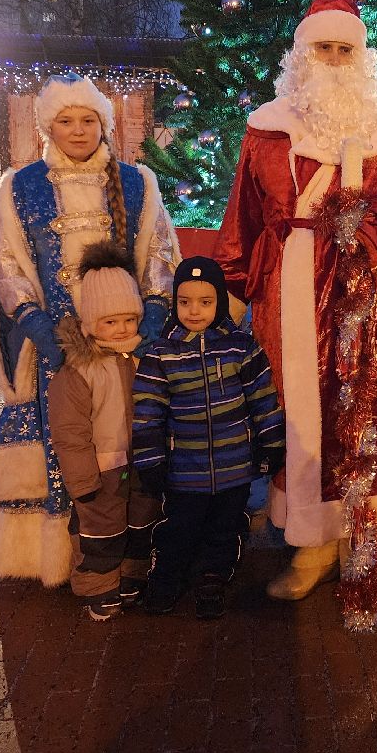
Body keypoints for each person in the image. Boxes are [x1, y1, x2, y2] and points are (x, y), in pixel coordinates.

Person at [214, 0, 377, 629]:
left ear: (361, 58)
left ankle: (358, 537)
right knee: (299, 412)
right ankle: (311, 545)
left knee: (358, 409)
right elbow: (245, 216)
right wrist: (232, 283)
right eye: (323, 48)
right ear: (302, 53)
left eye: (345, 49)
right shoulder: (266, 127)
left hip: (359, 287)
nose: (334, 60)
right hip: (289, 285)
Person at [0, 74, 179, 586]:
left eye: (88, 120)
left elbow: (158, 255)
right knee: (65, 442)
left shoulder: (137, 183)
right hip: (57, 353)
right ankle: (63, 556)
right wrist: (42, 330)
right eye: (66, 121)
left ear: (103, 124)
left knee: (126, 442)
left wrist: (151, 320)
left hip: (124, 345)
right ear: (49, 126)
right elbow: (9, 268)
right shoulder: (20, 189)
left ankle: (129, 550)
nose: (78, 130)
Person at [131, 256, 285, 619]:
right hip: (184, 469)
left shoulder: (239, 347)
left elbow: (263, 398)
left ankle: (214, 575)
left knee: (225, 526)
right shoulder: (160, 353)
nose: (194, 311)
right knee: (178, 528)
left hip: (234, 467)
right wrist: (151, 460)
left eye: (205, 302)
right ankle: (167, 578)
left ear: (218, 301)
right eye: (184, 302)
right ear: (174, 303)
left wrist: (272, 442)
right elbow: (147, 414)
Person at [47, 241, 161, 621]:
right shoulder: (79, 371)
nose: (122, 329)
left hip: (144, 462)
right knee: (101, 532)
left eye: (129, 319)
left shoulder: (145, 358)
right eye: (110, 322)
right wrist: (82, 481)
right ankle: (99, 587)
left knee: (140, 522)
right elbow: (70, 431)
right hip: (101, 470)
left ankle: (132, 577)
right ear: (91, 324)